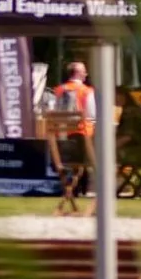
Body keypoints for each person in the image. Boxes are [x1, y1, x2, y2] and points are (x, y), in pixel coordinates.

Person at [50, 61, 96, 214]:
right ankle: (93, 206)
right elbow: (92, 116)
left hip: (61, 144)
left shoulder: (58, 91)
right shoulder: (87, 92)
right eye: (84, 71)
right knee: (101, 165)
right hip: (83, 142)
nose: (86, 74)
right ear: (77, 73)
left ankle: (68, 202)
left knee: (75, 169)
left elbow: (53, 115)